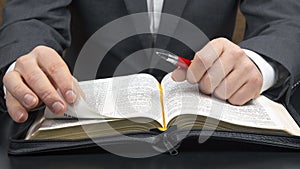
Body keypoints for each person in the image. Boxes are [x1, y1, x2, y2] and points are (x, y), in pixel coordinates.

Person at [0, 0, 299, 123]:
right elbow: (31, 18)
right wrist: (23, 68)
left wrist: (257, 64)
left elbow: (286, 21)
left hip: (212, 134)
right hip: (85, 132)